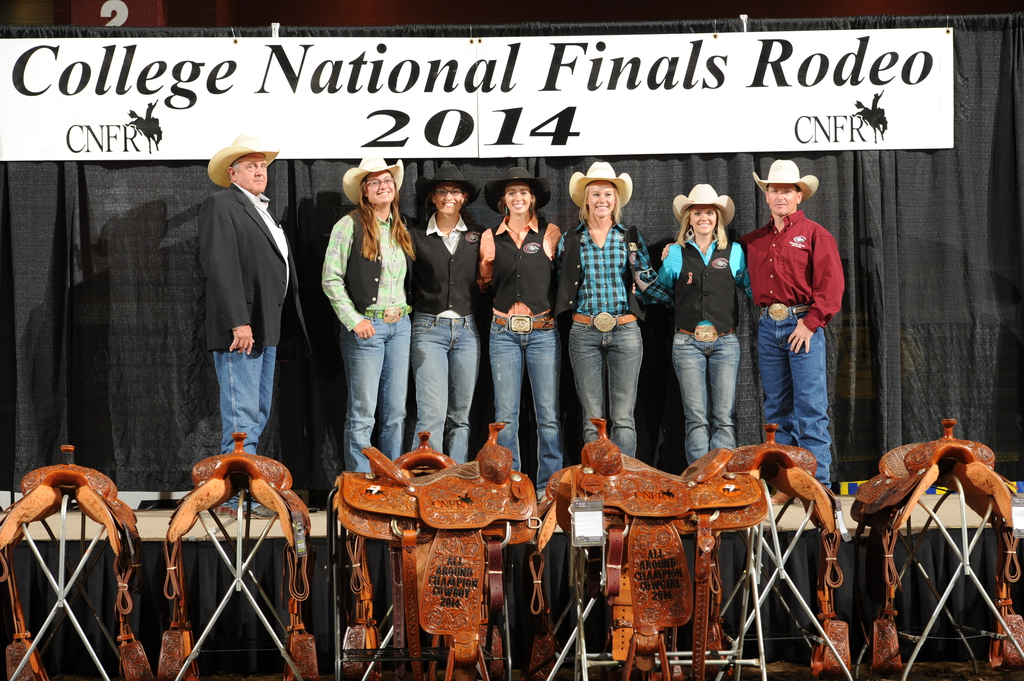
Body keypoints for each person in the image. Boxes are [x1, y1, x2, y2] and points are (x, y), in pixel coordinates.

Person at [200, 133, 309, 515]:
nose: (260, 171)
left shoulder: (262, 210)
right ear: (233, 173)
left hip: (266, 326)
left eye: (263, 165)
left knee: (257, 412)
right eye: (251, 166)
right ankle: (233, 496)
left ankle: (244, 490)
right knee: (241, 413)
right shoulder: (222, 204)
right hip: (243, 329)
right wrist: (238, 322)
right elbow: (220, 264)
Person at [740, 160, 844, 486]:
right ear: (766, 196)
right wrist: (678, 247)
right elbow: (716, 253)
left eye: (787, 190)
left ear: (799, 195)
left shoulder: (815, 234)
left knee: (811, 409)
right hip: (769, 326)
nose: (780, 196)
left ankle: (819, 486)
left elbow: (831, 286)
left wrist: (810, 323)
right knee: (776, 411)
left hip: (803, 324)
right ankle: (785, 484)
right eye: (774, 190)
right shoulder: (754, 241)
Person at [642, 184, 750, 466]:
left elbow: (750, 287)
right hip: (687, 342)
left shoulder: (734, 251)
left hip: (725, 341)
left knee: (724, 416)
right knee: (696, 417)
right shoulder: (676, 253)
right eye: (698, 212)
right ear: (688, 218)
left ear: (718, 218)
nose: (704, 217)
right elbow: (661, 291)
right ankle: (701, 479)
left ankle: (723, 477)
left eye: (710, 213)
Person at [555, 161, 657, 458]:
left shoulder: (630, 238)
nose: (602, 200)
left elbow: (647, 282)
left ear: (616, 201)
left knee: (624, 416)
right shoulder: (571, 239)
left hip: (624, 329)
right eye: (596, 194)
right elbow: (562, 278)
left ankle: (622, 480)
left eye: (608, 194)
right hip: (584, 329)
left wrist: (662, 260)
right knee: (592, 417)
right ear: (586, 200)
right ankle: (595, 481)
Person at [322, 157, 415, 472]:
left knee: (396, 412)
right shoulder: (349, 225)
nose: (382, 186)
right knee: (363, 412)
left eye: (387, 180)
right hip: (368, 326)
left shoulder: (400, 228)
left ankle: (390, 480)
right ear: (364, 192)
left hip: (400, 325)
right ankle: (360, 485)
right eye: (374, 182)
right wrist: (354, 319)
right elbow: (331, 278)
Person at [479, 167, 565, 491]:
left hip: (542, 331)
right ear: (504, 200)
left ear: (532, 200)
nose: (518, 198)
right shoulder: (490, 237)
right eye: (512, 193)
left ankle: (548, 487)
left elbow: (561, 276)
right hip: (502, 332)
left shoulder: (550, 233)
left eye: (523, 193)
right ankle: (510, 485)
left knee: (548, 414)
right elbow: (484, 281)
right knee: (506, 415)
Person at [408, 163, 482, 462]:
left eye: (454, 191)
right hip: (428, 329)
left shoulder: (477, 238)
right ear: (433, 198)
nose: (448, 196)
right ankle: (431, 482)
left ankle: (459, 480)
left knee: (461, 417)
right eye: (441, 191)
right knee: (431, 415)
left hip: (467, 330)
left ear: (463, 197)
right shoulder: (415, 235)